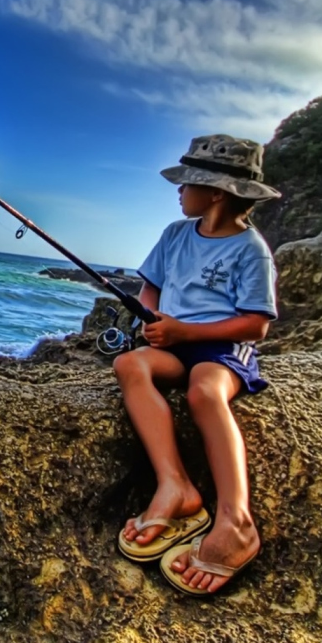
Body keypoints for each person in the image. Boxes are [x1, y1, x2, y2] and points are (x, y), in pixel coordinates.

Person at [113, 134, 280, 595]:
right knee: (131, 367)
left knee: (205, 391)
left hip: (220, 347)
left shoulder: (251, 250)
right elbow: (151, 288)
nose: (179, 191)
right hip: (174, 343)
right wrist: (152, 319)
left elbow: (255, 325)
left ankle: (236, 520)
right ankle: (176, 487)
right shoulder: (174, 235)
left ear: (217, 194)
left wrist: (188, 333)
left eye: (188, 184)